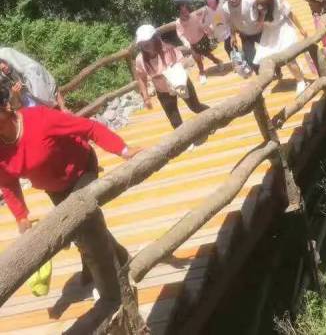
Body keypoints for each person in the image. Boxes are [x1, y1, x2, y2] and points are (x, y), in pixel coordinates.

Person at [0, 81, 140, 299]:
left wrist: (123, 150)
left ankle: (112, 295)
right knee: (81, 229)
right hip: (54, 188)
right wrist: (21, 216)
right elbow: (7, 182)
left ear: (6, 107)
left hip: (81, 169)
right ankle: (122, 258)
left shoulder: (39, 119)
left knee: (87, 227)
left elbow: (89, 127)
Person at [135, 25, 209, 131]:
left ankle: (214, 117)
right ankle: (184, 140)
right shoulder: (140, 59)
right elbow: (141, 78)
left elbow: (183, 64)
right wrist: (146, 97)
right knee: (174, 118)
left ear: (154, 38)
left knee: (195, 107)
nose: (145, 45)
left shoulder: (169, 50)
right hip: (163, 91)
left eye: (147, 41)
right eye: (142, 43)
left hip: (180, 83)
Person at [251, 0, 310, 95]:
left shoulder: (278, 0)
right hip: (269, 33)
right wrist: (262, 14)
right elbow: (258, 25)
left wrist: (301, 29)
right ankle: (295, 73)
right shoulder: (254, 6)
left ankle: (301, 81)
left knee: (288, 57)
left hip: (283, 28)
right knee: (264, 58)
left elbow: (290, 14)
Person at [0, 48, 66, 110]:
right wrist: (15, 93)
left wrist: (61, 108)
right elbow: (14, 105)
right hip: (34, 109)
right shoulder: (6, 79)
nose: (3, 67)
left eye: (3, 62)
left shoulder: (32, 69)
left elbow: (52, 89)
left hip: (50, 106)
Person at [175, 3, 223, 84]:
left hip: (202, 39)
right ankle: (202, 73)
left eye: (186, 11)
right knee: (197, 59)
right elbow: (180, 34)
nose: (185, 13)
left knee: (208, 54)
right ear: (179, 13)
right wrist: (185, 41)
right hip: (192, 43)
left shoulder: (194, 16)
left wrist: (209, 31)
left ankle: (218, 62)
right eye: (182, 12)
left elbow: (202, 22)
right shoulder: (178, 22)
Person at [222, 0, 263, 71]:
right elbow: (230, 22)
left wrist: (261, 22)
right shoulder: (225, 8)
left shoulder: (250, 1)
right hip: (245, 35)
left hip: (259, 31)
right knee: (251, 58)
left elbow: (262, 12)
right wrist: (233, 36)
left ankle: (276, 70)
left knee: (269, 51)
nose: (232, 0)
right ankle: (259, 73)